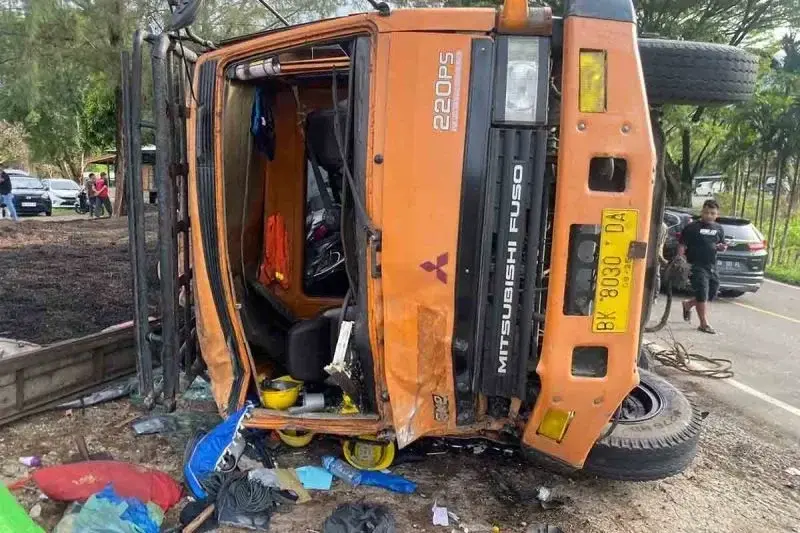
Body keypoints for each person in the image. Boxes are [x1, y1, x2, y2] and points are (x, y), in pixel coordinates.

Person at [679, 199, 727, 334]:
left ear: (717, 214)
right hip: (696, 265)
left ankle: (688, 304)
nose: (709, 215)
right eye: (706, 212)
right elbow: (682, 245)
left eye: (712, 213)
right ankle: (703, 324)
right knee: (702, 293)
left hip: (711, 265)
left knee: (712, 292)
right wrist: (680, 260)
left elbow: (721, 245)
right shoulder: (692, 227)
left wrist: (722, 247)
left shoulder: (719, 228)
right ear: (702, 212)